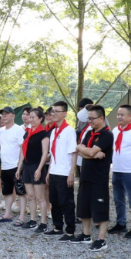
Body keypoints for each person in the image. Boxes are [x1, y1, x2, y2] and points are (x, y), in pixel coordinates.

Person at [74, 105, 114, 251]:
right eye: (88, 118)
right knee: (84, 206)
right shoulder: (89, 133)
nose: (89, 121)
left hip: (99, 178)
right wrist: (91, 153)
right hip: (85, 175)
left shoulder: (107, 135)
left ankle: (101, 239)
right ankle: (86, 234)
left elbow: (87, 151)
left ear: (101, 118)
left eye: (92, 118)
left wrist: (87, 151)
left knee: (100, 208)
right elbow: (80, 150)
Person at [45, 101, 78, 241]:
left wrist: (71, 173)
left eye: (57, 111)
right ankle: (57, 227)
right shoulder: (54, 131)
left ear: (64, 113)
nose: (54, 114)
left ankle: (70, 231)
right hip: (54, 171)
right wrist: (49, 172)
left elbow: (74, 153)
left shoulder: (69, 131)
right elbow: (53, 154)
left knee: (66, 202)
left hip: (64, 172)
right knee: (54, 201)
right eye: (52, 111)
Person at [109, 105, 131, 239]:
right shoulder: (115, 130)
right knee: (118, 199)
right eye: (118, 114)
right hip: (117, 169)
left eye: (122, 115)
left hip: (130, 170)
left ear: (130, 116)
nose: (119, 117)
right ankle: (121, 223)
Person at [16, 108, 49, 231]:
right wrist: (19, 167)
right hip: (27, 166)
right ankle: (33, 220)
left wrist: (39, 169)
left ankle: (43, 223)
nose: (31, 119)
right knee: (30, 196)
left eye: (33, 117)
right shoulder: (27, 132)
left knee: (40, 197)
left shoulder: (43, 134)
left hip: (37, 166)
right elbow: (23, 151)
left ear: (40, 119)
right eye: (30, 117)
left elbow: (45, 153)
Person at [0, 107, 26, 223]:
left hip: (15, 166)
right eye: (3, 114)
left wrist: (20, 165)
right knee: (7, 191)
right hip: (4, 166)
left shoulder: (19, 130)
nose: (4, 116)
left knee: (20, 192)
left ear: (13, 115)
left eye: (7, 114)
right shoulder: (1, 130)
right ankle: (7, 214)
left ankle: (22, 217)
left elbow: (23, 148)